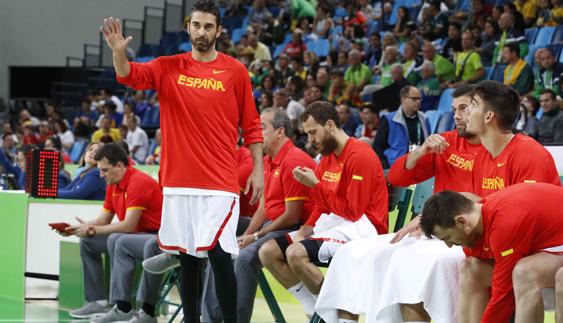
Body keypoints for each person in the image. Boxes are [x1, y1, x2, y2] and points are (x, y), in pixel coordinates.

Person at [101, 1, 264, 322]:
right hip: (177, 183)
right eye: (196, 25)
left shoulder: (235, 71)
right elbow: (128, 75)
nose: (201, 32)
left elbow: (252, 124)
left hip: (219, 184)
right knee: (188, 258)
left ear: (219, 31)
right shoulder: (167, 66)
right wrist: (118, 51)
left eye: (208, 27)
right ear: (188, 27)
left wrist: (258, 169)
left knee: (219, 254)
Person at [314, 84, 482, 323]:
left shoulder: (494, 148)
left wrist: (426, 217)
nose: (456, 115)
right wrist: (422, 150)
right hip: (431, 230)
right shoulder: (446, 142)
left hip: (458, 233)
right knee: (349, 254)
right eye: (454, 109)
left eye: (463, 109)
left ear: (482, 110)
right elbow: (395, 178)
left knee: (406, 263)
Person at [259, 101, 388, 318]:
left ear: (329, 125)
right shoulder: (328, 156)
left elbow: (352, 212)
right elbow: (322, 204)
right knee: (268, 252)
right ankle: (318, 310)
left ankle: (329, 314)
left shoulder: (360, 155)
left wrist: (315, 186)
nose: (310, 141)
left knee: (295, 253)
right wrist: (306, 228)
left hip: (363, 231)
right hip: (337, 224)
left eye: (312, 133)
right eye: (307, 134)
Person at [204, 108, 316, 323]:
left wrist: (254, 237)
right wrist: (246, 235)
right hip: (274, 224)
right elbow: (263, 208)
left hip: (296, 228)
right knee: (221, 248)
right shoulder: (266, 161)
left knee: (245, 257)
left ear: (280, 132)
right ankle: (210, 319)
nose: (255, 134)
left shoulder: (293, 160)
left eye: (262, 128)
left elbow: (292, 217)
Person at [420, 183, 563, 323]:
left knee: (524, 272)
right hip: (550, 241)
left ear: (462, 222)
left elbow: (503, 296)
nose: (449, 245)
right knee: (470, 269)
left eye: (448, 238)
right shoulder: (477, 222)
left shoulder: (505, 224)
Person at [66, 143, 163, 322]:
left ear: (119, 166)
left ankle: (123, 307)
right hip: (135, 236)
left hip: (154, 236)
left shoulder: (138, 182)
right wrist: (82, 228)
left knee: (119, 240)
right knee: (88, 241)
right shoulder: (113, 183)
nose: (101, 175)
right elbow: (103, 220)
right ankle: (99, 301)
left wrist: (93, 229)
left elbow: (128, 225)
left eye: (104, 170)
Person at [373, 85, 429, 169]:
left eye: (419, 99)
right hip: (396, 164)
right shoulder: (389, 119)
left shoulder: (424, 119)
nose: (418, 102)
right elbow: (377, 146)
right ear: (403, 99)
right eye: (414, 99)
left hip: (419, 163)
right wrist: (387, 162)